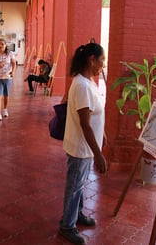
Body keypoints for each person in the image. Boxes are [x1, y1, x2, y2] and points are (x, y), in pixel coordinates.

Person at [58, 42, 107, 245]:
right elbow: (85, 125)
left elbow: (93, 116)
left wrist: (102, 133)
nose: (103, 64)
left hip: (84, 146)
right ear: (91, 60)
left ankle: (77, 214)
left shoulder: (87, 82)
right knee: (75, 185)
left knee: (79, 185)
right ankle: (67, 225)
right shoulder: (82, 85)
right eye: (102, 60)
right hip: (81, 147)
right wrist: (99, 154)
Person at [0, 38, 16, 121]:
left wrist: (13, 72)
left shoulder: (10, 53)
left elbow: (14, 63)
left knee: (6, 95)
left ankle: (5, 109)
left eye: (2, 44)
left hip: (7, 77)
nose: (0, 45)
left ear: (5, 45)